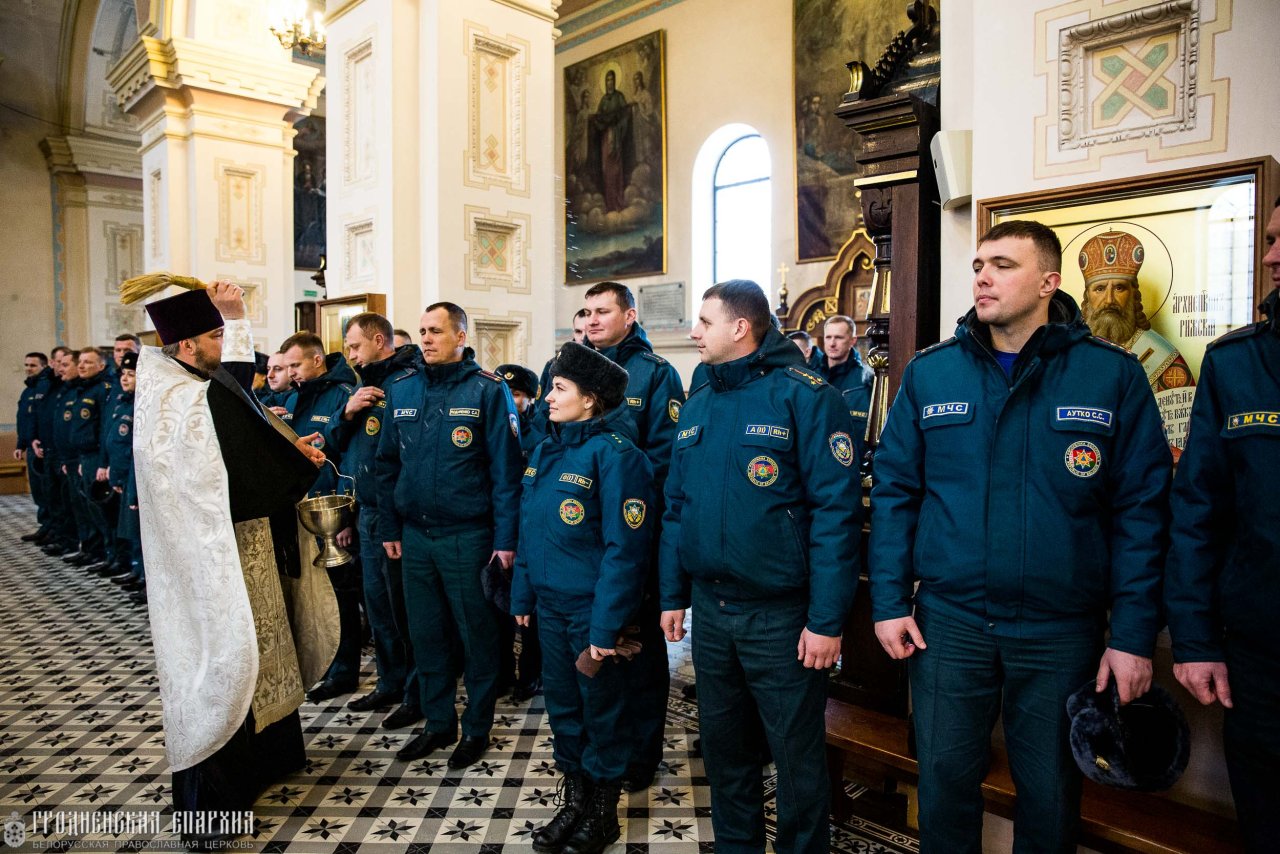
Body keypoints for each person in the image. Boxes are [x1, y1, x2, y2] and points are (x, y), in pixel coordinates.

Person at [869, 220, 1171, 853]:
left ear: (1048, 283)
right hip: (951, 625)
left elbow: (1142, 514)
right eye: (979, 265)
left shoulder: (1110, 375)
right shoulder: (932, 373)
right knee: (944, 786)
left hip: (1058, 631)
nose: (983, 276)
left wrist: (1133, 636)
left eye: (1003, 265)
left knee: (1051, 795)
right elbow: (896, 492)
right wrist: (889, 601)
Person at [660, 279, 860, 854]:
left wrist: (826, 621)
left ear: (740, 327)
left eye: (704, 322)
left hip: (781, 616)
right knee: (726, 753)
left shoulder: (806, 396)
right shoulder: (700, 398)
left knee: (796, 761)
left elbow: (835, 516)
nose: (694, 332)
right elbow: (677, 507)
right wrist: (673, 594)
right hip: (711, 612)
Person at [134, 283, 335, 849]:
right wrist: (296, 463)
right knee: (222, 665)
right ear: (186, 345)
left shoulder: (178, 389)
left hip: (227, 547)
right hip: (210, 560)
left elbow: (239, 422)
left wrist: (284, 447)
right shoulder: (184, 400)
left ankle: (268, 759)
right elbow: (239, 440)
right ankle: (213, 811)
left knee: (257, 653)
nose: (221, 346)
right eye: (215, 336)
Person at [1164, 201, 1280, 853]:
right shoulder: (1237, 363)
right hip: (1261, 658)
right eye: (1270, 239)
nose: (1270, 257)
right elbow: (1197, 510)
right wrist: (1195, 637)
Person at [513, 342, 655, 854]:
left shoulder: (618, 457)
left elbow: (626, 551)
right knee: (564, 709)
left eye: (559, 388)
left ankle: (603, 812)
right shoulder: (546, 452)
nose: (548, 397)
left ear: (590, 399)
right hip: (549, 610)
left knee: (602, 711)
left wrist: (605, 626)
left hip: (591, 613)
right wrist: (522, 596)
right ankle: (575, 800)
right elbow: (530, 530)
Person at [375, 302, 524, 768]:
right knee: (426, 635)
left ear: (461, 336)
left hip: (468, 536)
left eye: (436, 331)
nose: (426, 339)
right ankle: (438, 723)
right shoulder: (401, 388)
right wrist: (389, 525)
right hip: (416, 536)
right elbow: (386, 465)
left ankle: (476, 727)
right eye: (422, 331)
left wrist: (505, 541)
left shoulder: (487, 390)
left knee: (477, 637)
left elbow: (506, 474)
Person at [566, 280, 684, 790]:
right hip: (580, 534)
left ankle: (641, 753)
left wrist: (615, 492)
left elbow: (665, 458)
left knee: (638, 647)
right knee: (594, 641)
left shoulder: (655, 374)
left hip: (632, 530)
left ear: (630, 316)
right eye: (587, 312)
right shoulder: (570, 367)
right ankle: (600, 746)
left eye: (603, 311)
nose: (592, 320)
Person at [324, 312, 425, 730]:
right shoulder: (359, 386)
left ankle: (416, 693)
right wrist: (346, 413)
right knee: (378, 607)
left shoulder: (408, 382)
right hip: (365, 511)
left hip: (395, 515)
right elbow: (334, 448)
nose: (350, 355)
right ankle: (390, 681)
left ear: (379, 340)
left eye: (355, 346)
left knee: (404, 611)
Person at [278, 331, 361, 703]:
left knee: (341, 596)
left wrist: (345, 516)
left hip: (331, 512)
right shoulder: (295, 398)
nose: (291, 372)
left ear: (316, 360)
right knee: (314, 595)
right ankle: (323, 661)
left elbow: (347, 458)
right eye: (287, 366)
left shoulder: (343, 396)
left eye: (296, 365)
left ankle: (344, 670)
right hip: (299, 508)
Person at [1078, 229, 1195, 453]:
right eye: (1100, 289)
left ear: (1134, 296)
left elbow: (1180, 444)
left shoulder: (1163, 358)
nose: (1109, 299)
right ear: (1087, 297)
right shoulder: (1069, 351)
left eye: (1119, 288)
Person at [496, 361, 545, 703]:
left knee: (531, 613)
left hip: (528, 530)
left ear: (531, 397)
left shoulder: (541, 433)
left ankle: (531, 674)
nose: (510, 400)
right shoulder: (492, 426)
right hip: (499, 528)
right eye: (504, 392)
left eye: (516, 393)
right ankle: (501, 672)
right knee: (499, 606)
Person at [66, 348, 115, 570]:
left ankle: (110, 555)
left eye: (88, 362)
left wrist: (103, 462)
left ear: (101, 366)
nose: (81, 366)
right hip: (85, 456)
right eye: (81, 362)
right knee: (89, 508)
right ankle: (95, 551)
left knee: (102, 509)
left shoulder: (103, 389)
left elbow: (103, 427)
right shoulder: (83, 388)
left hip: (97, 456)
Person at [101, 351, 143, 596]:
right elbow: (114, 440)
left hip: (135, 475)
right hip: (125, 475)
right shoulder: (123, 402)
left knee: (140, 529)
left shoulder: (141, 404)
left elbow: (135, 448)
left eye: (131, 374)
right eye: (123, 374)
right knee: (130, 528)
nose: (125, 379)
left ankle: (145, 577)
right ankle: (137, 571)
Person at [16, 351, 53, 541]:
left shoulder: (44, 387)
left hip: (42, 447)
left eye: (33, 365)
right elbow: (24, 419)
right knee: (37, 490)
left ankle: (52, 528)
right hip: (31, 446)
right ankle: (44, 525)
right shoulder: (28, 390)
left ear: (44, 366)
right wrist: (21, 444)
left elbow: (42, 418)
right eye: (26, 365)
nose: (28, 369)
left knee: (47, 490)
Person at [587, 70, 634, 213]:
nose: (609, 83)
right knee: (606, 170)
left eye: (611, 80)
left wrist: (617, 126)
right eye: (607, 80)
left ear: (615, 81)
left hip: (616, 137)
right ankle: (609, 204)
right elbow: (600, 118)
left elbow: (625, 115)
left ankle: (618, 202)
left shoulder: (619, 97)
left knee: (616, 170)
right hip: (605, 139)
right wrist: (596, 119)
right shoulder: (603, 100)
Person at [820, 315, 867, 393]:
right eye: (828, 337)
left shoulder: (863, 379)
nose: (832, 344)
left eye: (838, 337)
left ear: (852, 340)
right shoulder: (812, 373)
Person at [258, 351, 296, 417]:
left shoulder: (304, 401)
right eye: (268, 369)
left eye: (277, 369)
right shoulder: (262, 401)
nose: (269, 375)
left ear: (293, 371)